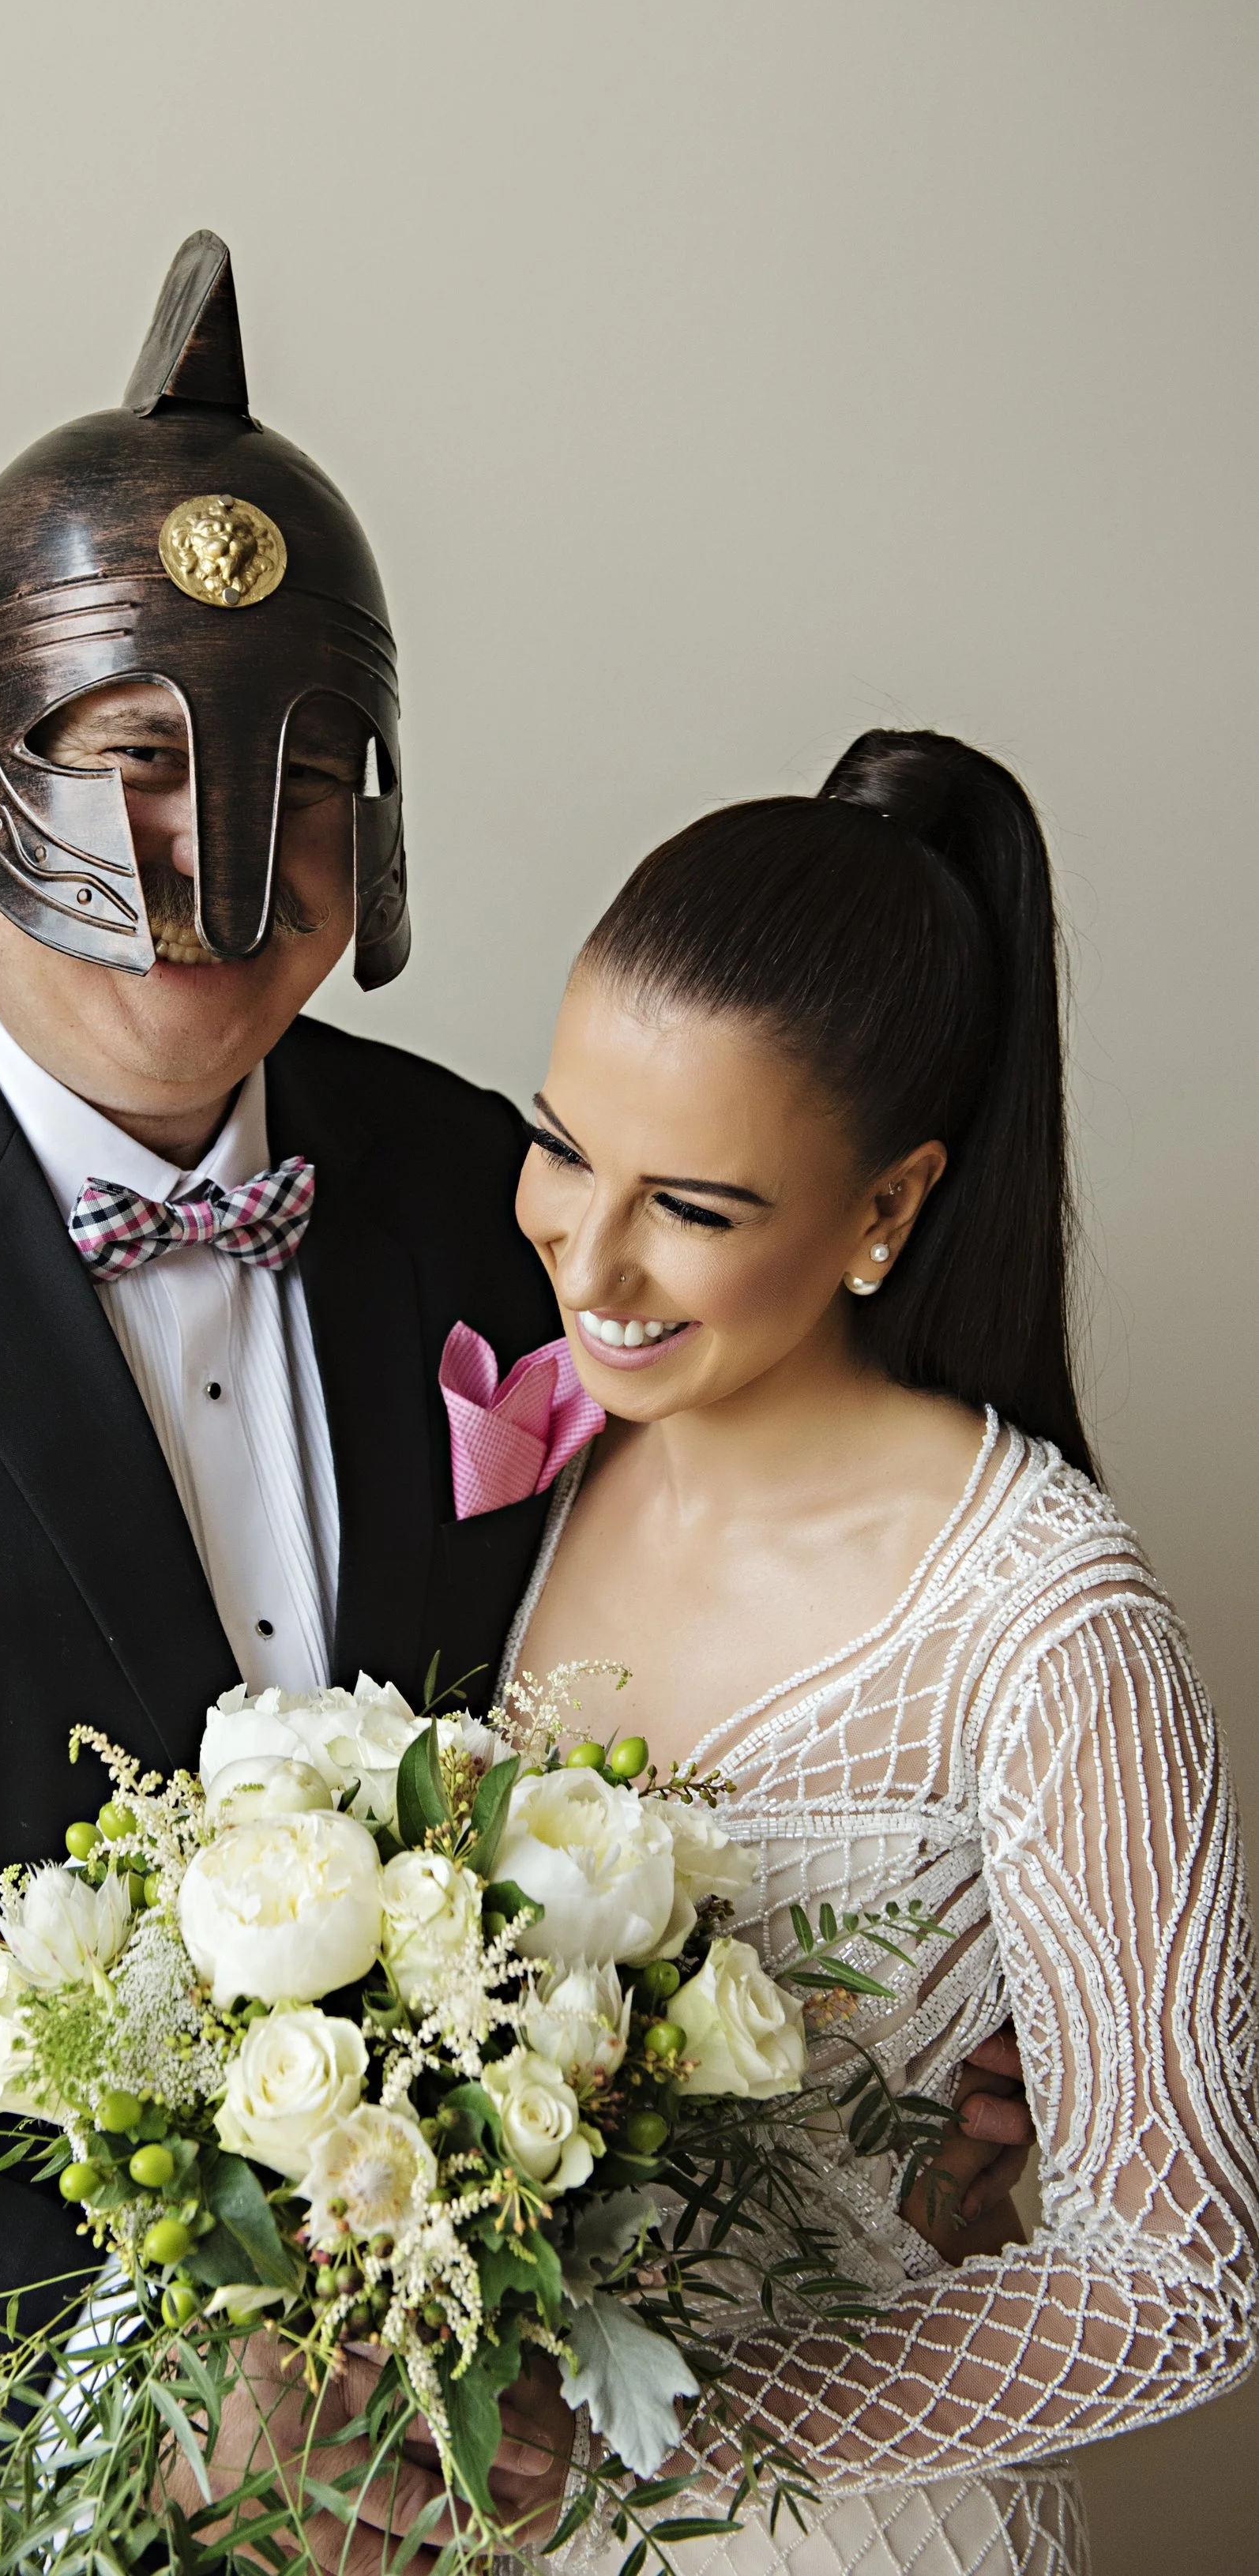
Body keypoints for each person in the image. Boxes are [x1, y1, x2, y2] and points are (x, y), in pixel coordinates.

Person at [0, 232, 1028, 2576]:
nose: (216, 859)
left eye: (302, 777)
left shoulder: (497, 1195)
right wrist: (106, 2402)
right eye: (133, 759)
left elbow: (736, 1665)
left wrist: (917, 2061)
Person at [502, 728, 1257, 2575]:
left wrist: (636, 2428)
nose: (588, 1262)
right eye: (561, 1148)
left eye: (691, 1208)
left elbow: (1182, 2278)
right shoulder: (522, 1460)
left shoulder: (1039, 1611)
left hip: (841, 2533)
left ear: (886, 1209)